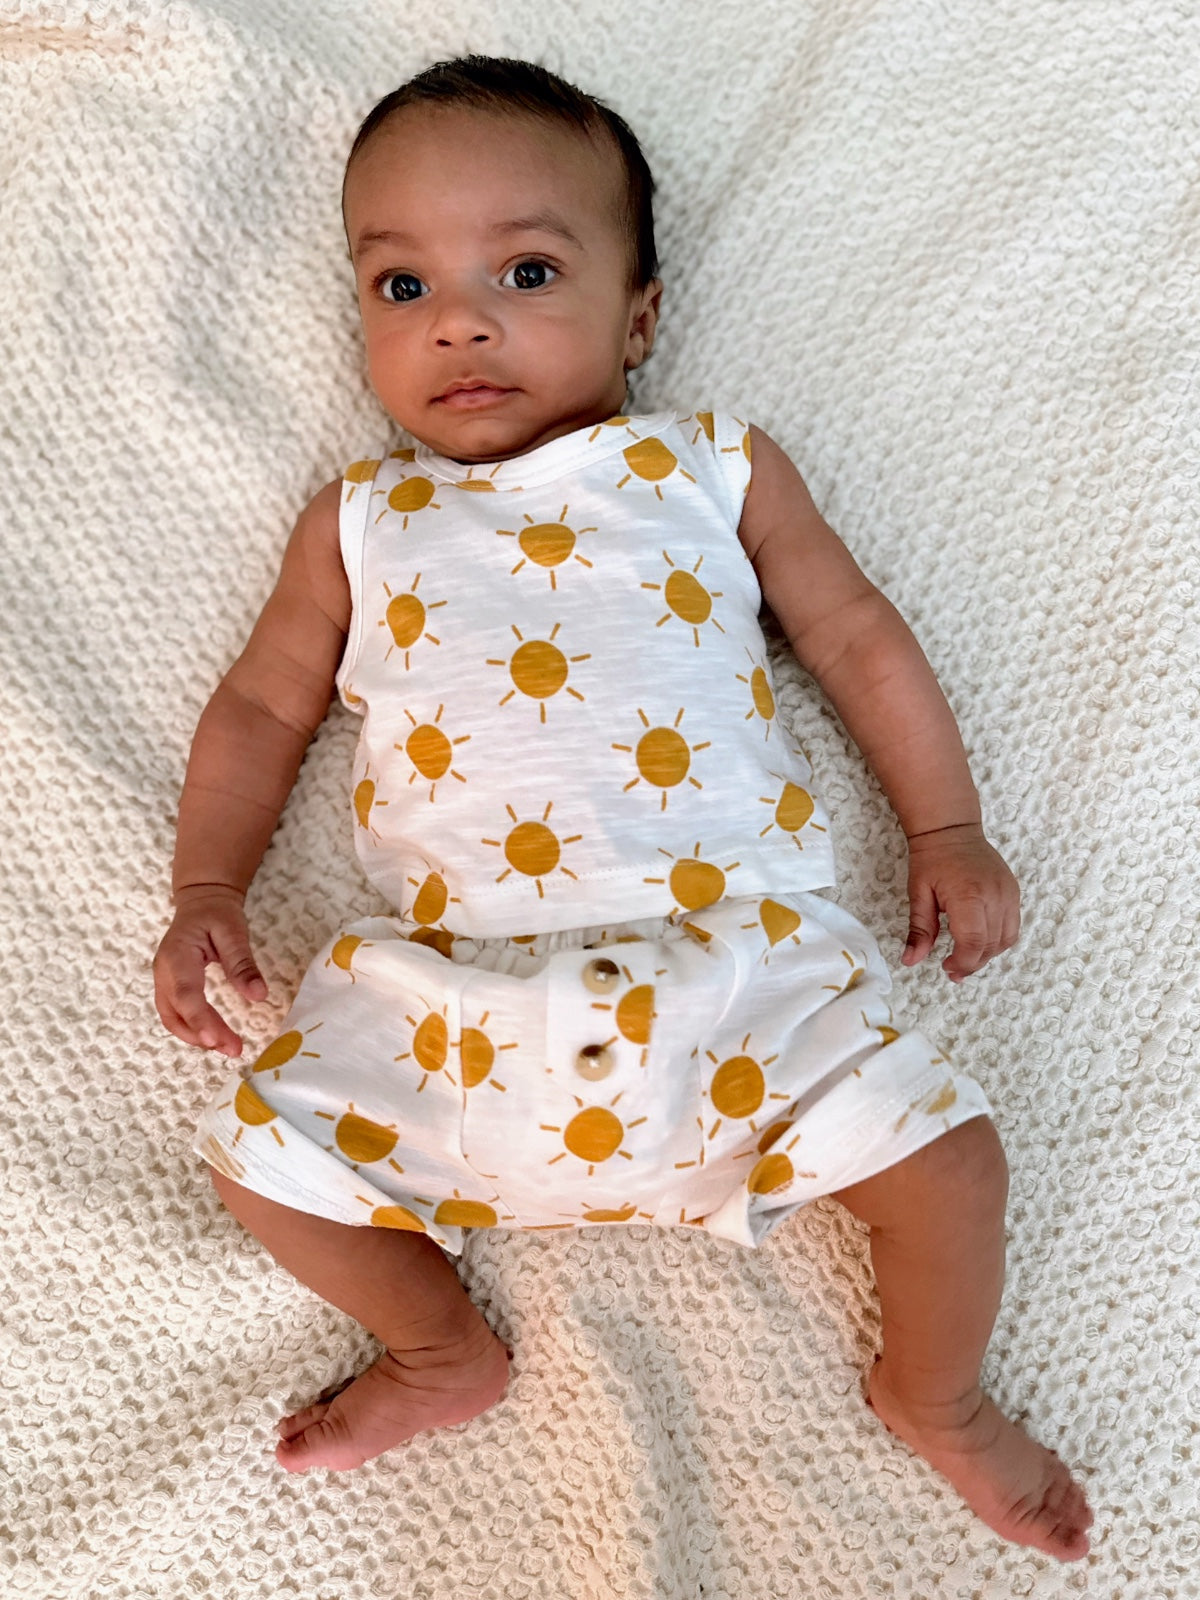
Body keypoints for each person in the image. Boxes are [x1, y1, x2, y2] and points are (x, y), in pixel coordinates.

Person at [153, 54, 1093, 1560]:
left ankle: (937, 1395)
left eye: (525, 269)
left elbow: (854, 635)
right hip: (458, 1005)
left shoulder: (708, 471)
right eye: (402, 287)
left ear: (640, 315)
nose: (460, 318)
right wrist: (208, 886)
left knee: (953, 1165)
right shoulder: (361, 521)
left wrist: (945, 826)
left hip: (739, 977)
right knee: (261, 1168)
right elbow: (264, 710)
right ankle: (441, 1351)